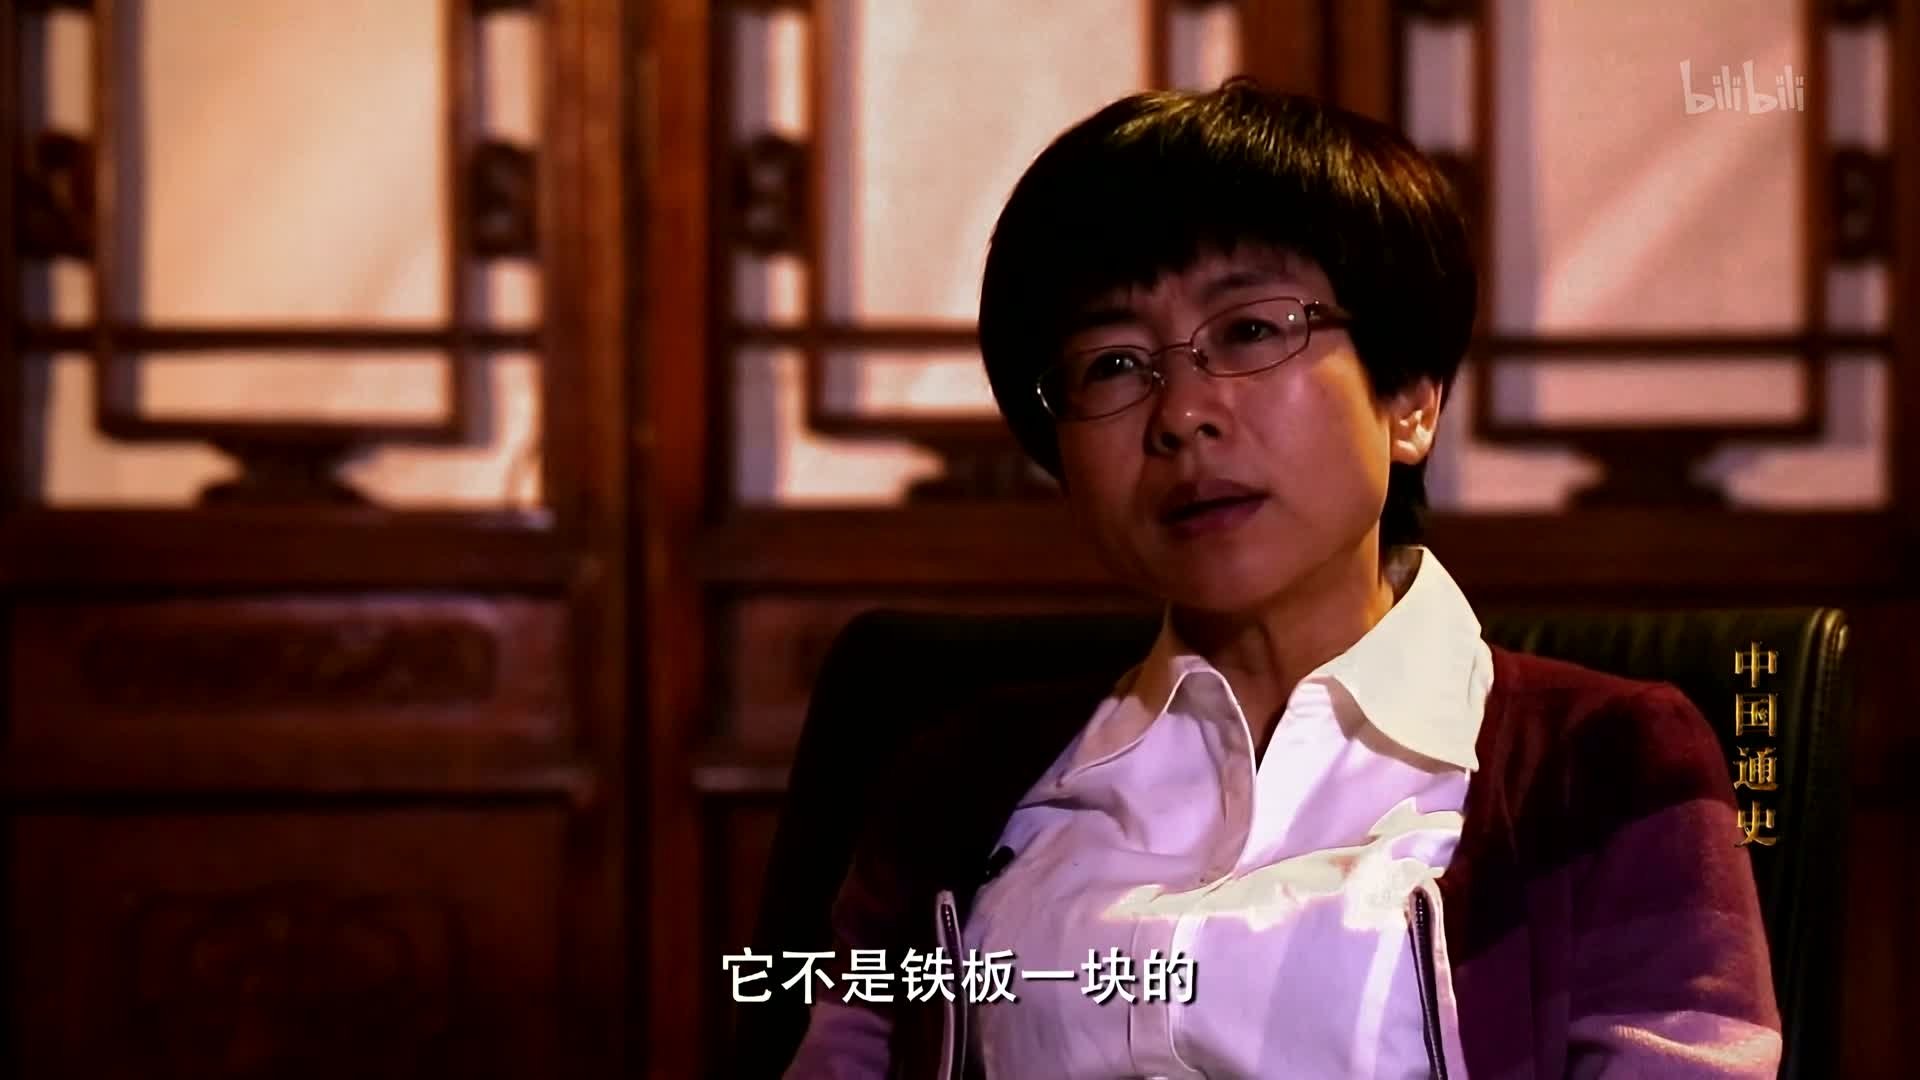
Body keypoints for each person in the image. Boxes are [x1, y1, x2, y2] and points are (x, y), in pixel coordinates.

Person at [779, 79, 1779, 1078]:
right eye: (1113, 363)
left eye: (1251, 331)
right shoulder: (956, 785)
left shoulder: (1601, 763)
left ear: (1410, 400)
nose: (1182, 414)